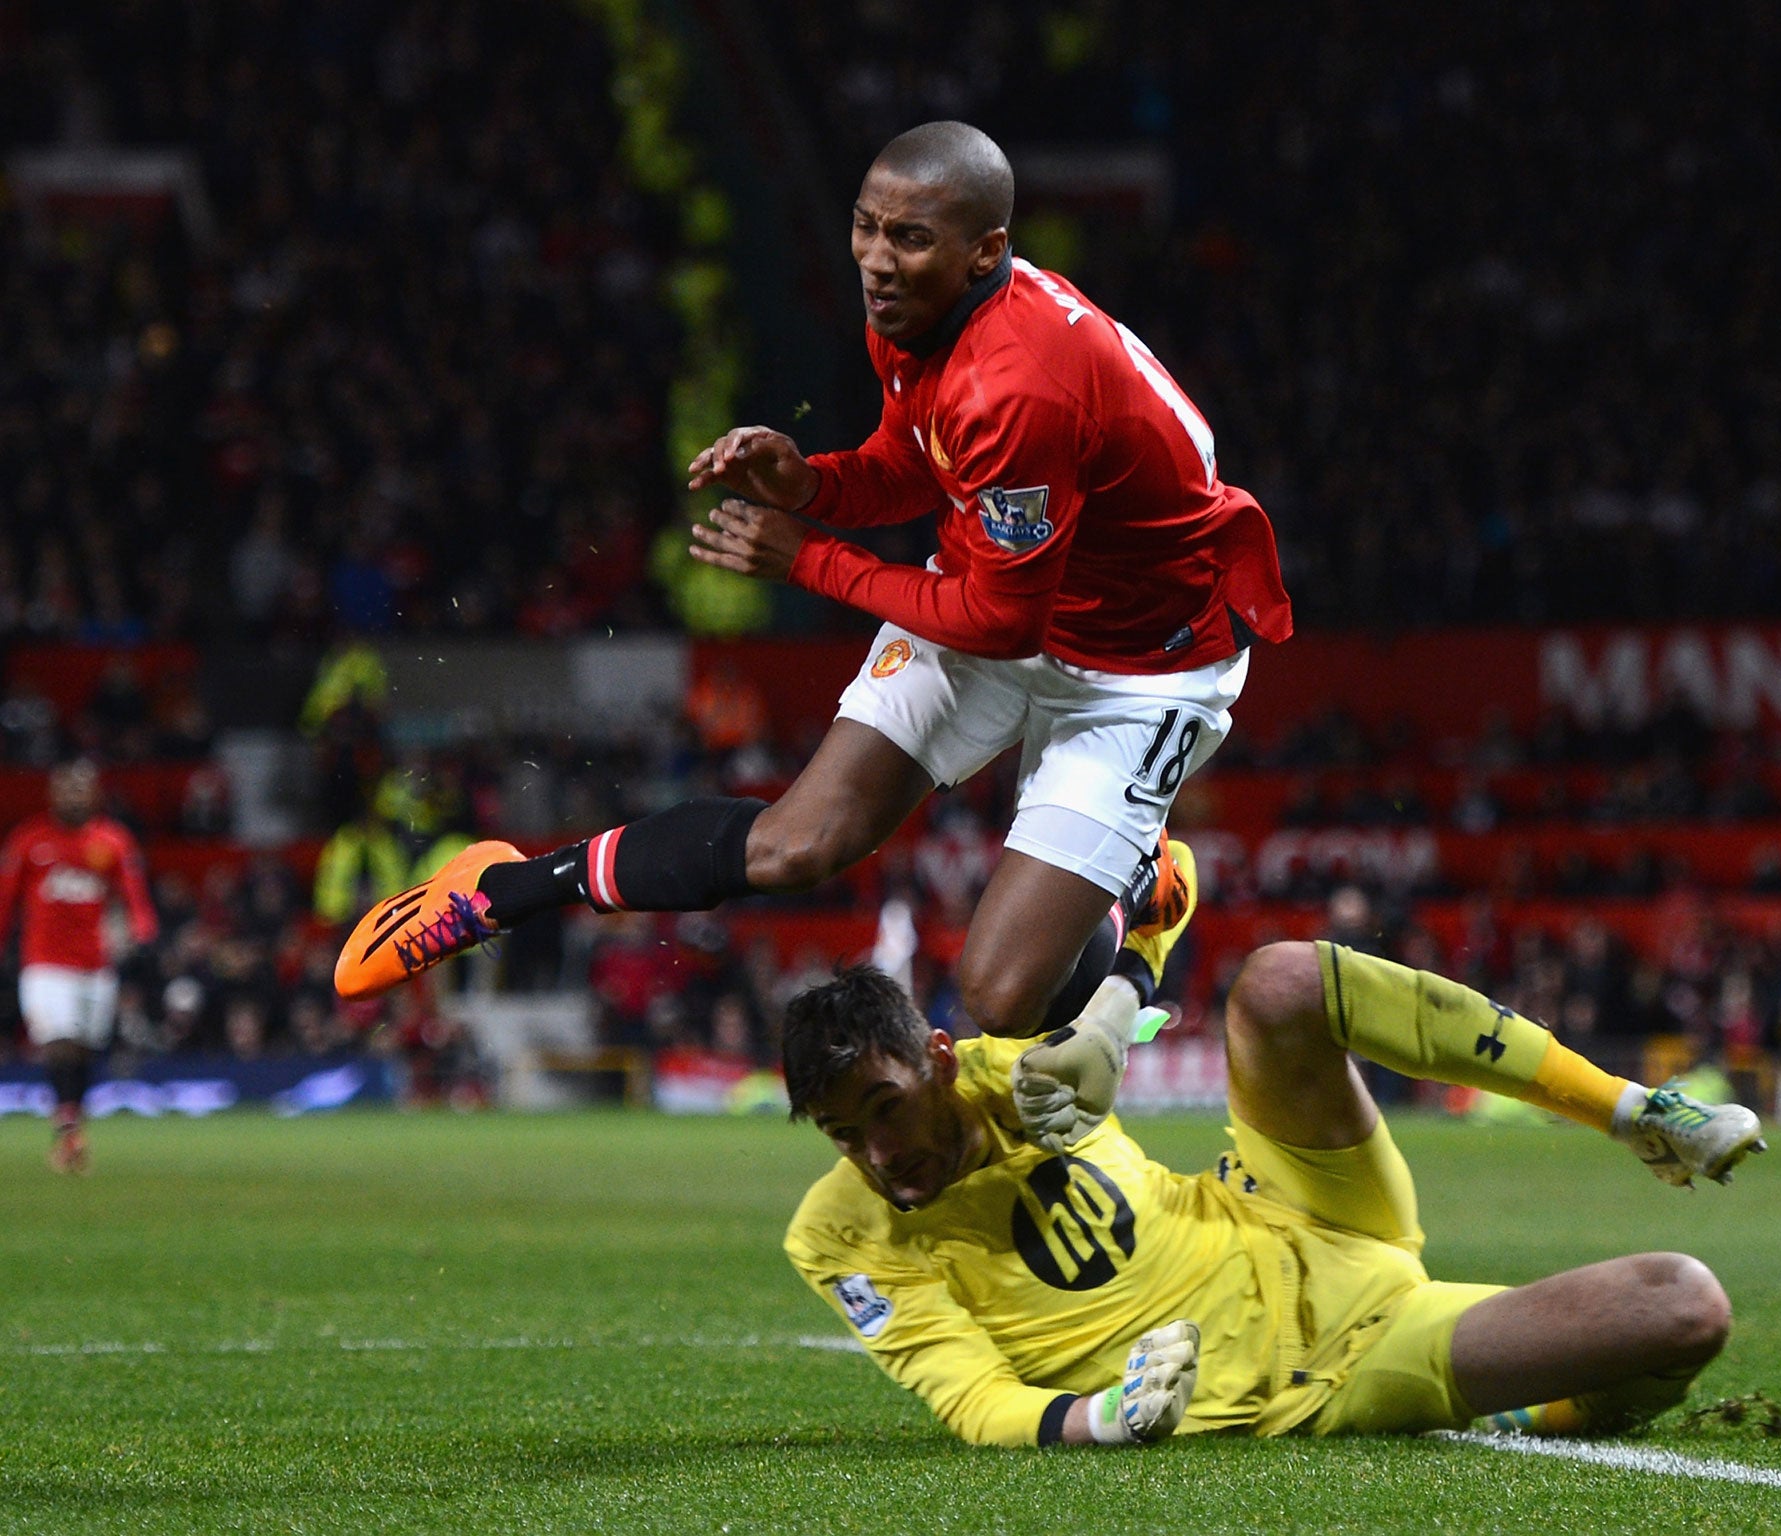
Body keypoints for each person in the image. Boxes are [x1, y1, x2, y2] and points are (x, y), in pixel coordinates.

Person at [334, 120, 1290, 1096]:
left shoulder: (1022, 383)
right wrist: (812, 486)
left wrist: (809, 558)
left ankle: (1134, 903)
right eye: (864, 227)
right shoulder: (916, 310)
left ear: (984, 253)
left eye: (907, 239)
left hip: (1140, 668)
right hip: (1004, 593)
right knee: (798, 845)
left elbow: (1001, 619)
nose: (877, 261)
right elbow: (918, 462)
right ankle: (497, 892)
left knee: (1001, 998)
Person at [781, 939, 1764, 1447]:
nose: (876, 1154)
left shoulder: (1006, 1068)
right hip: (1329, 1371)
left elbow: (1168, 874)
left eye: (883, 1110)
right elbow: (972, 1398)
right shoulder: (840, 1235)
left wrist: (1117, 1004)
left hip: (1288, 1203)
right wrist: (1106, 1420)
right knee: (1681, 1307)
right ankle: (1532, 1415)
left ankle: (1629, 1106)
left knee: (1281, 983)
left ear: (938, 1064)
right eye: (841, 1135)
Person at [0, 760, 159, 1172]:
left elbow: (134, 894)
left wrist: (143, 931)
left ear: (95, 794)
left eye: (81, 789)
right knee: (59, 1040)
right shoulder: (29, 841)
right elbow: (5, 901)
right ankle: (68, 1125)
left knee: (85, 1048)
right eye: (66, 789)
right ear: (52, 794)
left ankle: (72, 1123)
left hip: (95, 964)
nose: (73, 796)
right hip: (45, 963)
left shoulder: (112, 841)